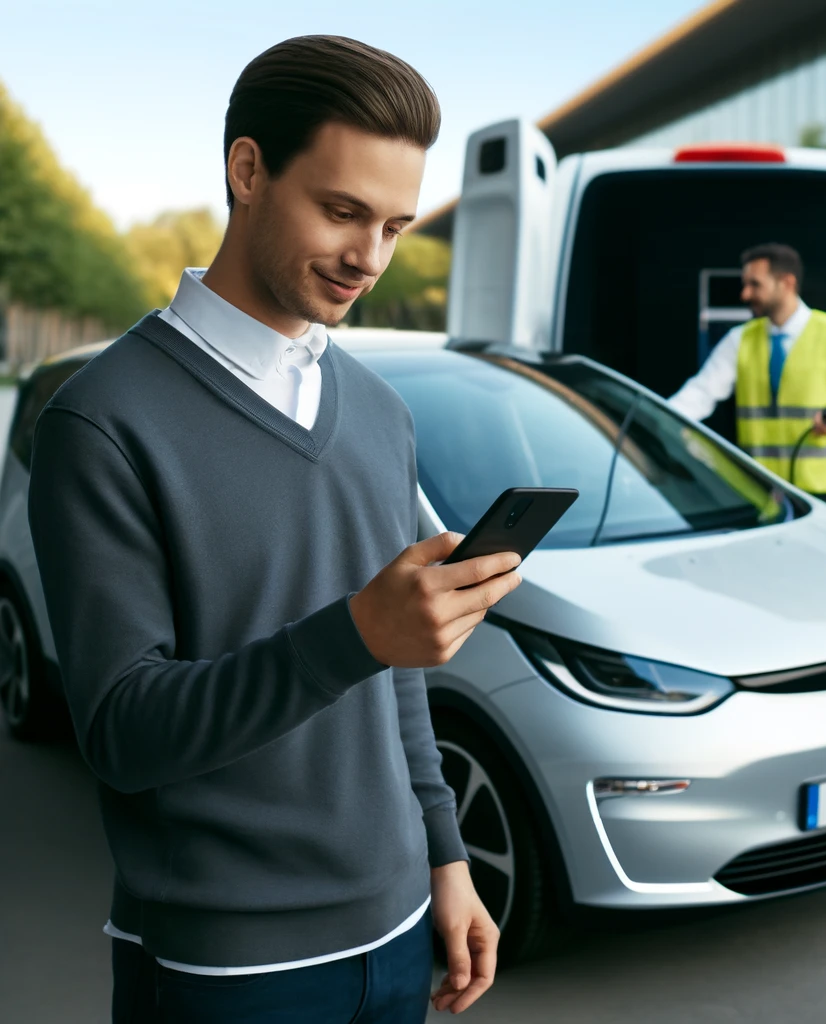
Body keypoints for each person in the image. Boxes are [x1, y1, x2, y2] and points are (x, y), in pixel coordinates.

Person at [28, 35, 514, 1023]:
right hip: (225, 967)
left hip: (398, 929)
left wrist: (446, 860)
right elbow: (122, 731)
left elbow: (400, 682)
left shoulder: (379, 410)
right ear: (246, 171)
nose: (368, 259)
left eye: (393, 226)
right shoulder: (101, 419)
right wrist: (356, 635)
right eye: (342, 212)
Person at [669, 243, 826, 514]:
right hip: (763, 490)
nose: (745, 294)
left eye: (755, 284)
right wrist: (659, 418)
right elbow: (701, 392)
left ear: (786, 283)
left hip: (824, 493)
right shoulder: (740, 339)